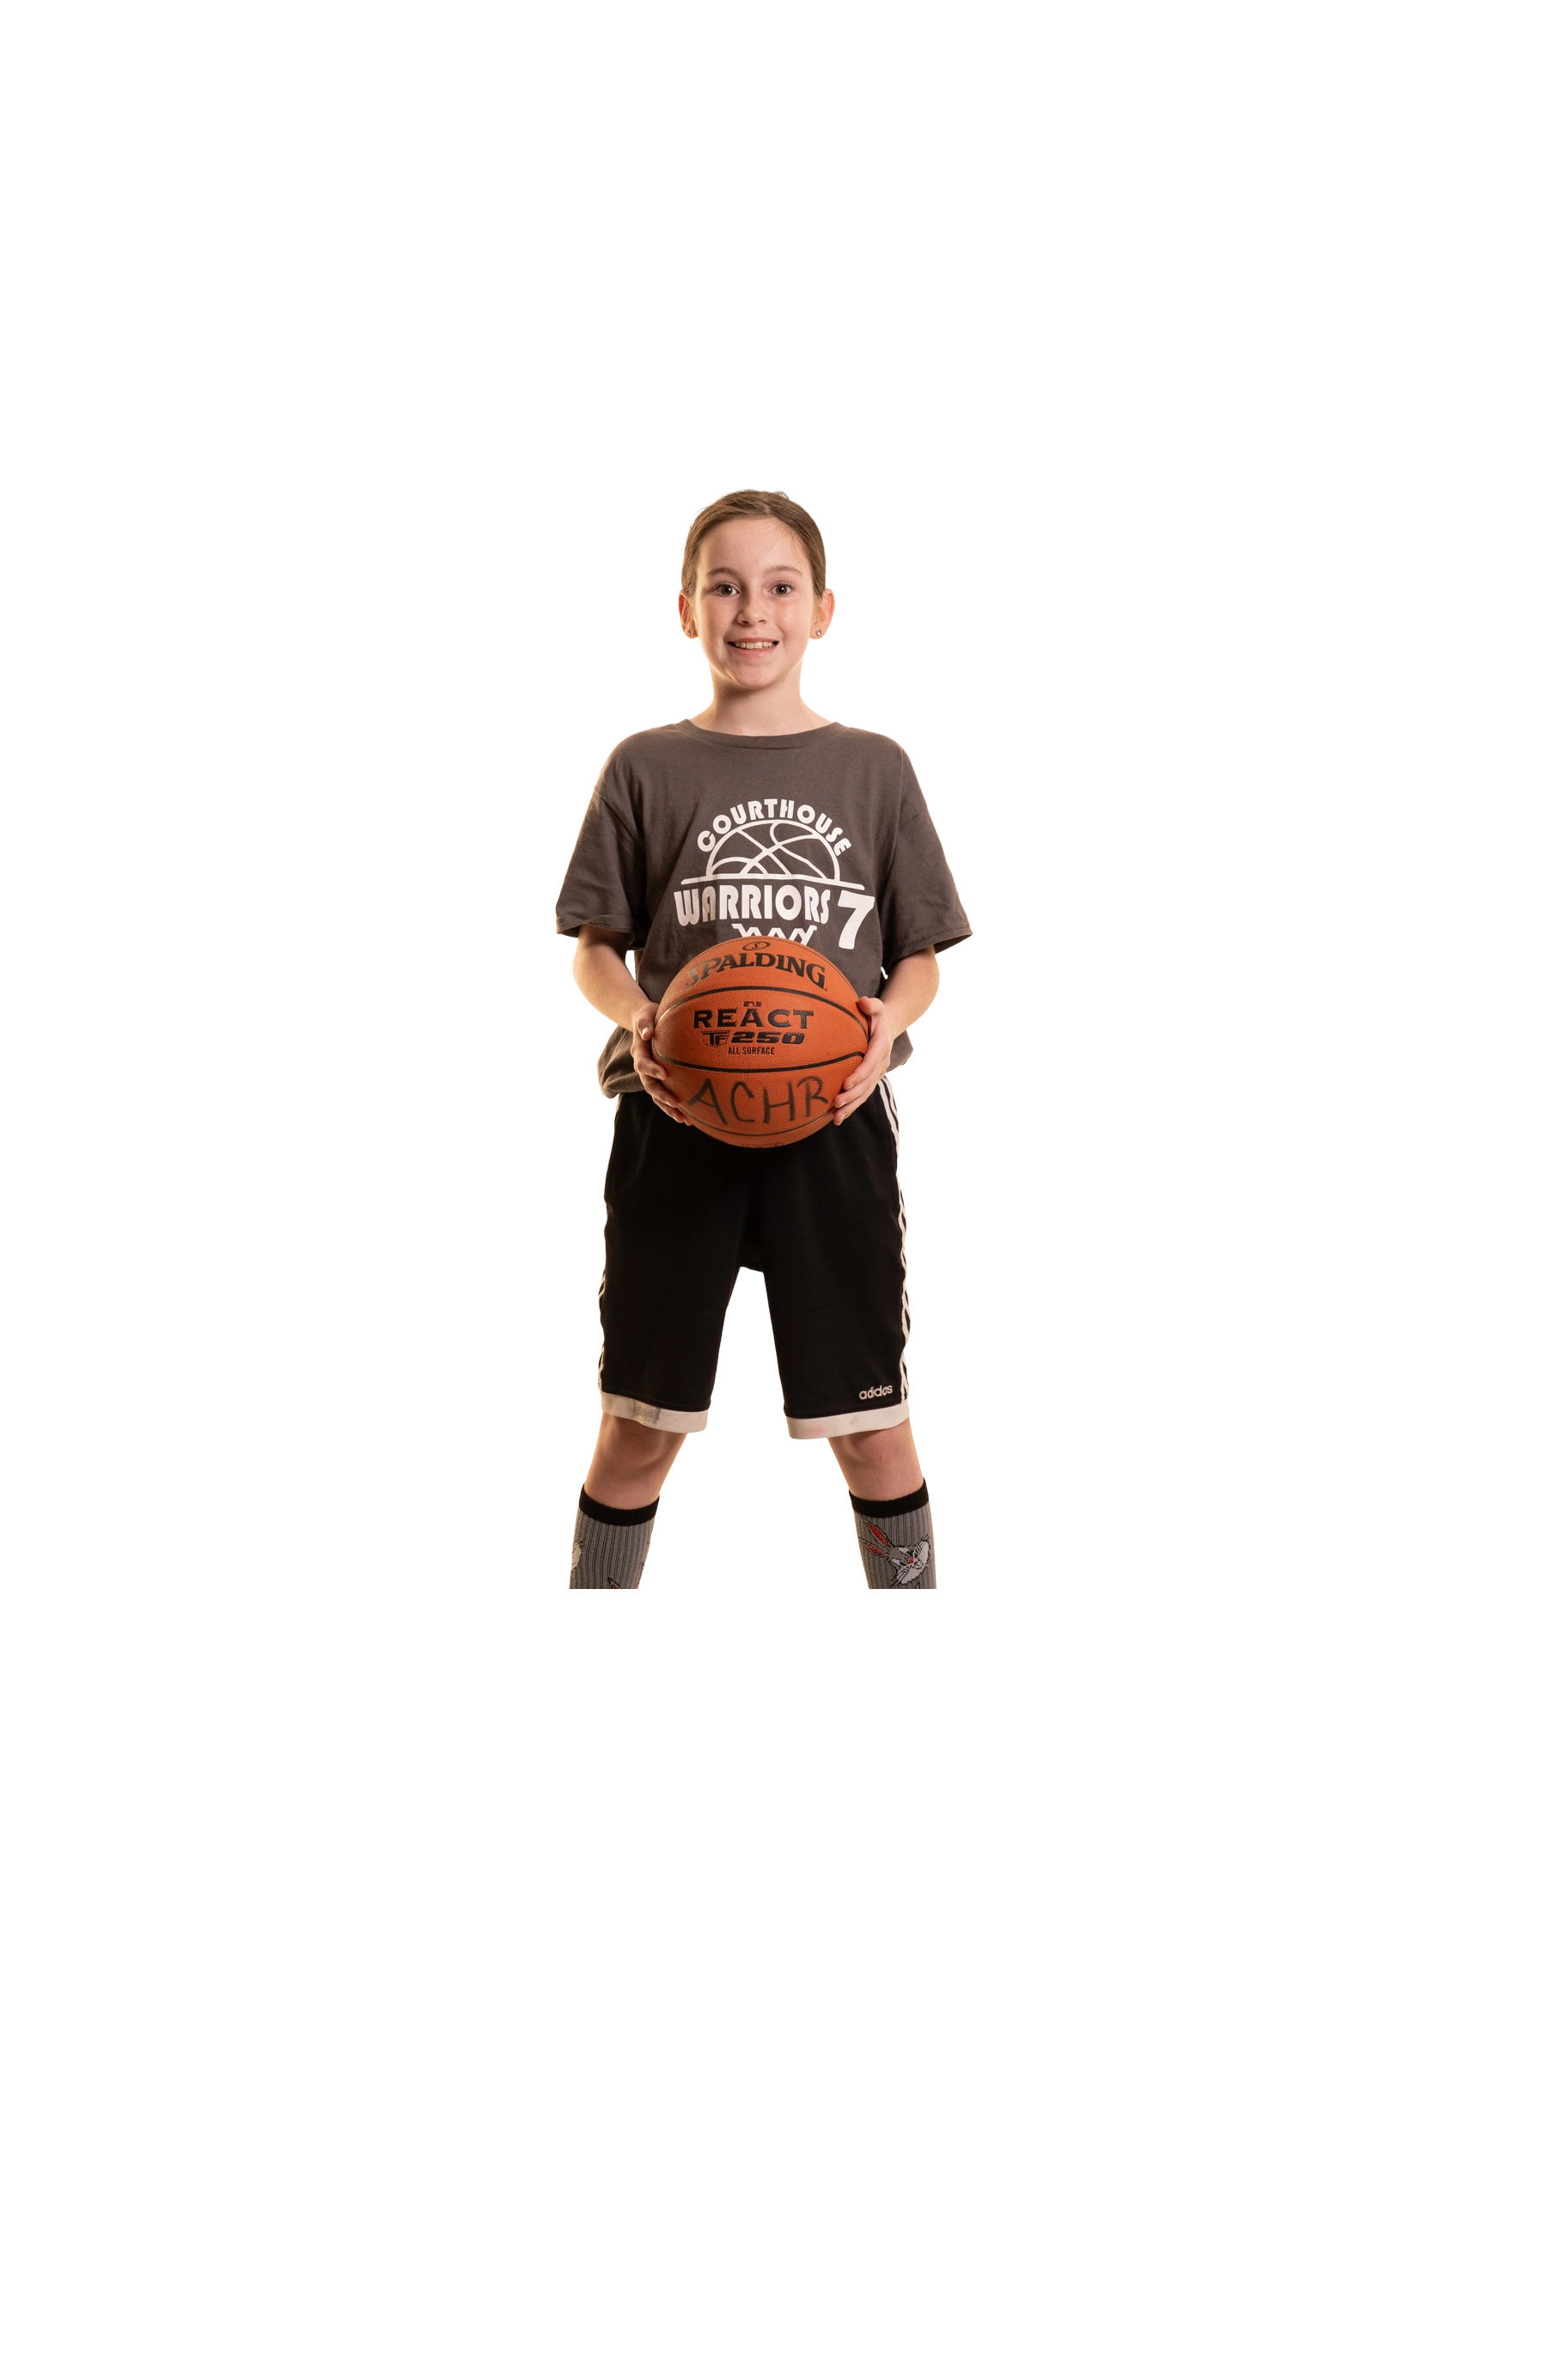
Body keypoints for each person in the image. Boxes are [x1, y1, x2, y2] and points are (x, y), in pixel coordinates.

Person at [555, 488, 972, 1588]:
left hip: (831, 1118)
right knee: (637, 1429)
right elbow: (595, 949)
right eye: (723, 587)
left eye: (781, 587)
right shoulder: (644, 765)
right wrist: (639, 1017)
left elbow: (920, 957)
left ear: (822, 609)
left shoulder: (874, 768)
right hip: (673, 1120)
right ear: (685, 608)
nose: (753, 611)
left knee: (870, 1428)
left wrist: (886, 1022)